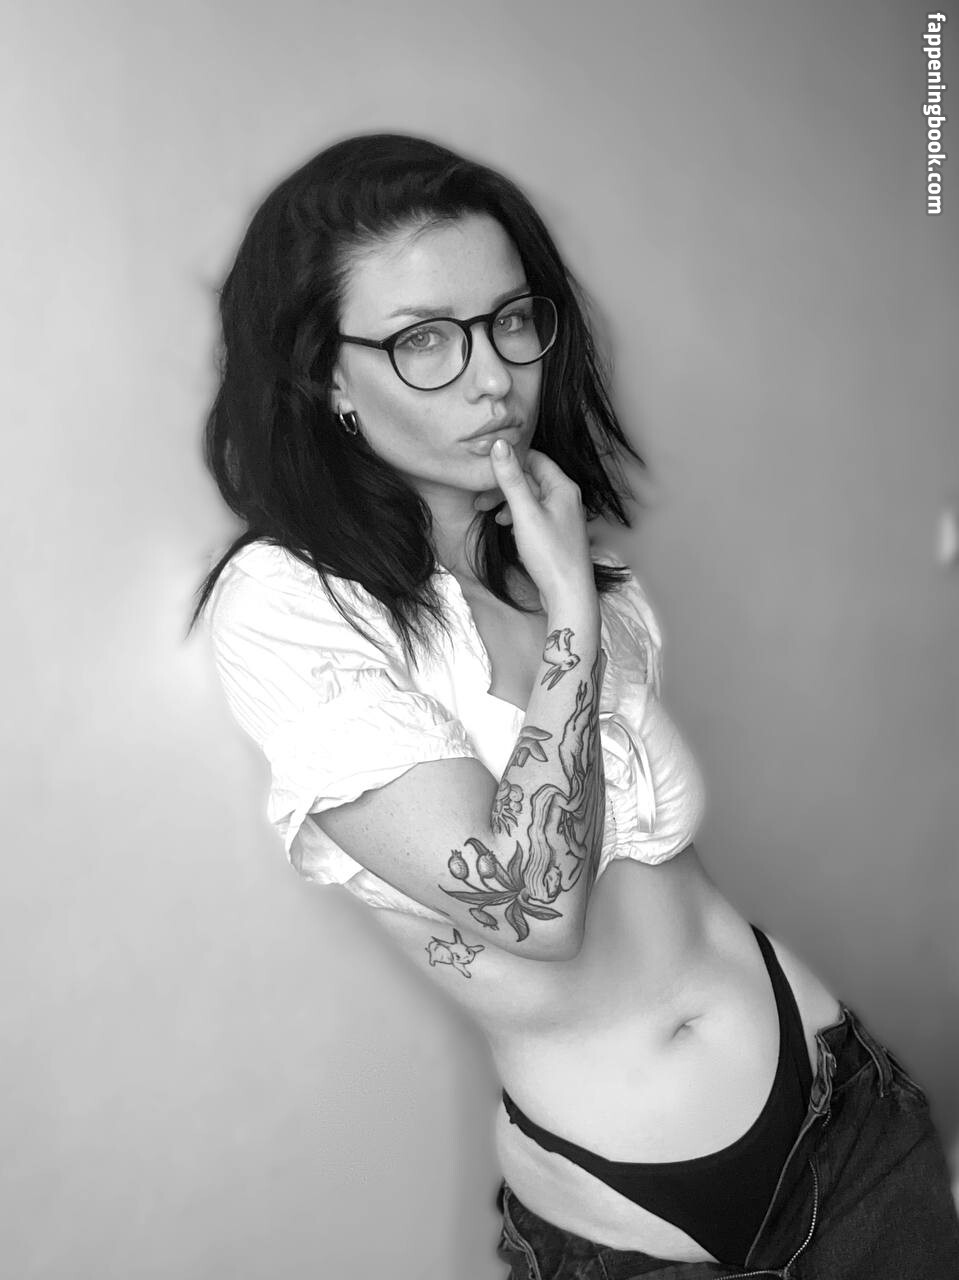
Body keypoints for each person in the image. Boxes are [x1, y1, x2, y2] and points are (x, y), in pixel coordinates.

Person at [192, 133, 959, 1278]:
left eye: (510, 319)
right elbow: (535, 911)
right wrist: (566, 616)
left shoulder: (579, 572)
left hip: (843, 1112)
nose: (493, 376)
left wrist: (566, 592)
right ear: (326, 376)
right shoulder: (290, 607)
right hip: (634, 1222)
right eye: (423, 340)